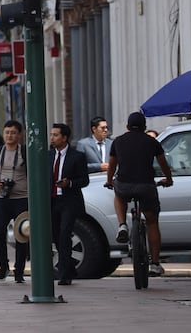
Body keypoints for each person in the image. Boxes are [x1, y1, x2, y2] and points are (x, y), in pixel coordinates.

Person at [104, 112, 173, 277]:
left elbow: (112, 165)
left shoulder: (118, 141)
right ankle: (155, 264)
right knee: (152, 222)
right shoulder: (152, 141)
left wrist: (109, 181)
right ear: (145, 128)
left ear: (127, 127)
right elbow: (163, 163)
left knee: (119, 195)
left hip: (125, 185)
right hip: (146, 186)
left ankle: (122, 225)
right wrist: (168, 179)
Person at [0, 120, 28, 283]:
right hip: (2, 198)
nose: (9, 135)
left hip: (22, 198)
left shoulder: (24, 152)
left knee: (22, 234)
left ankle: (19, 270)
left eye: (13, 132)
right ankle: (3, 266)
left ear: (19, 135)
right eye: (7, 132)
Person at [49, 123, 89, 285]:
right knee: (56, 236)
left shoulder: (77, 156)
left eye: (56, 135)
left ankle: (64, 274)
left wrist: (69, 183)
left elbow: (84, 180)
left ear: (64, 138)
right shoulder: (48, 156)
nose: (52, 138)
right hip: (52, 201)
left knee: (65, 234)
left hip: (69, 201)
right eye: (51, 135)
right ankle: (70, 266)